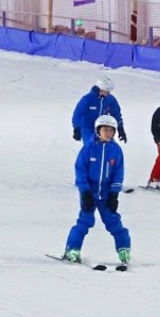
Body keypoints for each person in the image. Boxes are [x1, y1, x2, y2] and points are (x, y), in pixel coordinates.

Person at [61, 114, 130, 266]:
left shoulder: (116, 150)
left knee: (113, 221)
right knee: (85, 220)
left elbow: (118, 173)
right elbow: (80, 170)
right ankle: (72, 249)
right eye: (105, 129)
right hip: (90, 193)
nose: (108, 133)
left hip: (106, 194)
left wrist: (114, 193)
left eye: (111, 130)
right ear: (98, 130)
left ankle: (124, 248)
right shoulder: (88, 149)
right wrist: (85, 192)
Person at [71, 75, 125, 144]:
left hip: (103, 128)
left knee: (110, 147)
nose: (108, 93)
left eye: (109, 91)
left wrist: (120, 129)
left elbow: (116, 114)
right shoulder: (88, 99)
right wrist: (77, 128)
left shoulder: (110, 99)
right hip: (88, 127)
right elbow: (78, 114)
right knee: (91, 146)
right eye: (107, 91)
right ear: (100, 89)